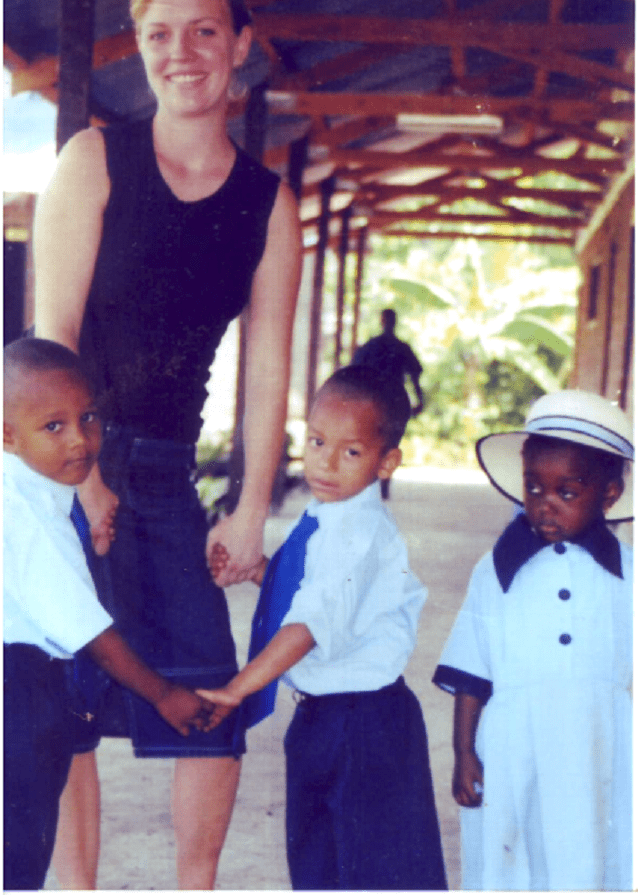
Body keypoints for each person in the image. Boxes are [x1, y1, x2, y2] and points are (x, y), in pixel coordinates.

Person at [32, 0, 302, 890]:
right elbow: (48, 344)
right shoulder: (93, 160)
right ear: (138, 50)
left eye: (203, 31)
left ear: (240, 48)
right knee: (62, 693)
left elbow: (268, 375)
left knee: (209, 694)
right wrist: (86, 475)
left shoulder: (268, 206)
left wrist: (249, 506)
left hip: (168, 478)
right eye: (158, 35)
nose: (181, 52)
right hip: (64, 468)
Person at [199, 366, 448, 891]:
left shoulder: (356, 530)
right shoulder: (328, 515)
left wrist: (237, 688)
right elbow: (319, 594)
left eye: (350, 451)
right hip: (325, 719)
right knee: (320, 863)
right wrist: (258, 571)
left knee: (371, 868)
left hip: (363, 724)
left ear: (387, 463)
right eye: (316, 441)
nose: (326, 462)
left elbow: (311, 623)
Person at [3, 338, 216, 891]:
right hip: (18, 692)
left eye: (88, 417)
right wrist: (163, 693)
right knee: (19, 858)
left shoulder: (26, 488)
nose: (79, 438)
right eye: (54, 426)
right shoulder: (27, 514)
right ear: (7, 435)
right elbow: (88, 629)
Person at [432, 390, 633, 891]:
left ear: (608, 494)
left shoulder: (627, 573)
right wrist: (463, 754)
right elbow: (471, 670)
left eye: (567, 492)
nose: (546, 505)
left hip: (598, 740)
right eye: (534, 487)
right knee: (509, 856)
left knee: (590, 851)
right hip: (511, 743)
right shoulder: (495, 570)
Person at [352, 308, 424, 497]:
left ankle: (375, 481)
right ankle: (382, 482)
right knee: (390, 441)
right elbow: (414, 377)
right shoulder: (401, 347)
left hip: (376, 400)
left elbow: (354, 374)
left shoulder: (370, 347)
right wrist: (420, 400)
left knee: (371, 440)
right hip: (393, 400)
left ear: (381, 321)